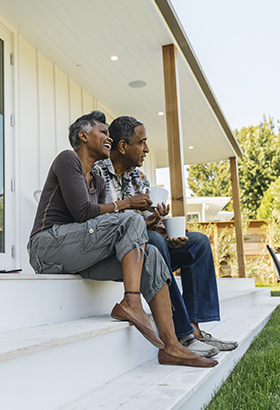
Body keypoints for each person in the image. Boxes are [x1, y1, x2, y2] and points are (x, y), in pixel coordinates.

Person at [27, 111, 216, 367]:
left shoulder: (98, 181)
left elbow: (101, 225)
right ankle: (131, 301)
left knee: (151, 256)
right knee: (132, 219)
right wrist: (128, 205)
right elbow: (83, 213)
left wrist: (146, 221)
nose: (109, 138)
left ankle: (172, 345)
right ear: (83, 136)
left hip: (79, 254)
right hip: (47, 247)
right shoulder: (67, 159)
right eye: (103, 132)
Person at [93, 115, 238, 357]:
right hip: (119, 252)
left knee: (198, 243)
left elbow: (150, 221)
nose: (147, 149)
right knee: (156, 243)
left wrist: (164, 227)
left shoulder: (139, 178)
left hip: (149, 242)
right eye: (142, 142)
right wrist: (150, 228)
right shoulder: (97, 173)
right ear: (122, 146)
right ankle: (182, 334)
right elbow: (98, 222)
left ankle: (195, 329)